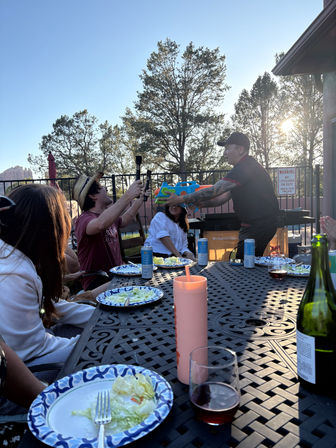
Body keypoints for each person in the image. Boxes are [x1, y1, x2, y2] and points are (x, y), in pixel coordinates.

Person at [0, 185, 94, 366]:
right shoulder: (14, 274)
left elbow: (50, 304)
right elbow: (31, 350)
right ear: (50, 228)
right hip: (28, 372)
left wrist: (99, 317)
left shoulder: (18, 257)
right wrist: (91, 342)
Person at [165, 132, 279, 259]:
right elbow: (222, 197)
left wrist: (181, 198)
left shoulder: (245, 167)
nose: (225, 153)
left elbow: (215, 190)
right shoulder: (243, 169)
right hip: (255, 225)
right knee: (248, 262)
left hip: (259, 225)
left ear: (240, 149)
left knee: (244, 262)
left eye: (228, 148)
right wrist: (203, 204)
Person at [73, 171, 145, 290]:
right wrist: (128, 195)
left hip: (116, 276)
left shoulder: (107, 216)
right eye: (101, 187)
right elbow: (100, 224)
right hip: (97, 283)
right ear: (92, 196)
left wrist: (141, 199)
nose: (106, 188)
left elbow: (126, 218)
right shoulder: (84, 219)